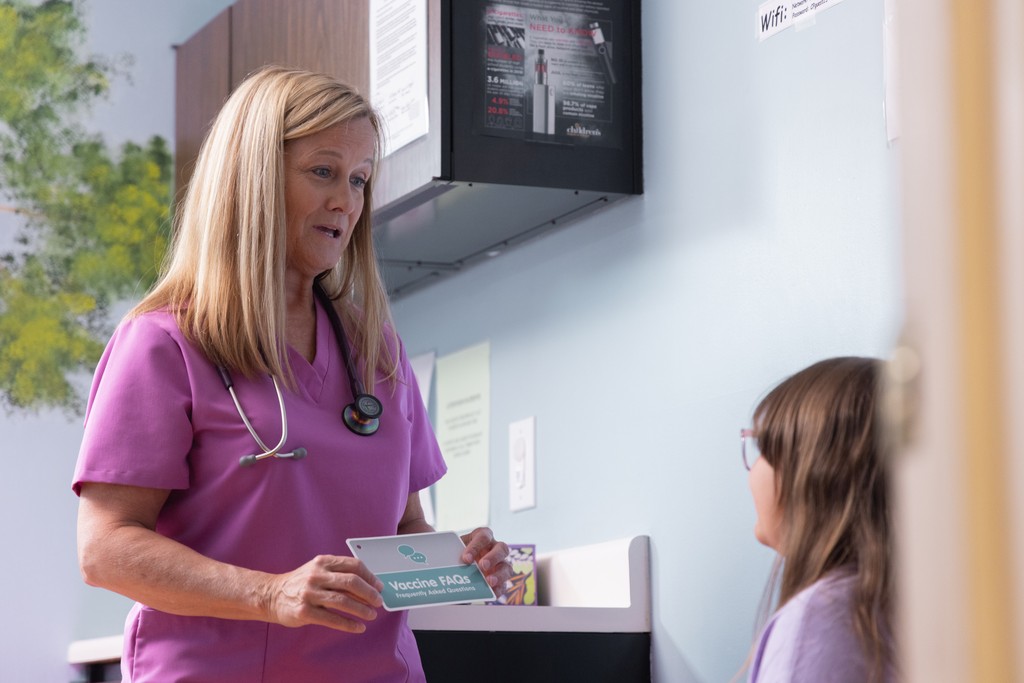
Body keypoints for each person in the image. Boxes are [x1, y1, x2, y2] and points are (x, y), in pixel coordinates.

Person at [73, 66, 512, 682]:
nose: (347, 201)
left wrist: (457, 566)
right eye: (323, 171)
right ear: (252, 179)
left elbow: (405, 526)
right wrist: (269, 593)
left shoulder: (373, 350)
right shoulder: (162, 346)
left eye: (359, 180)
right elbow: (106, 549)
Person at [740, 357, 896, 683]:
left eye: (764, 448)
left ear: (816, 475)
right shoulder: (892, 603)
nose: (752, 470)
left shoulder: (820, 619)